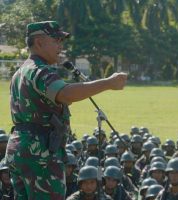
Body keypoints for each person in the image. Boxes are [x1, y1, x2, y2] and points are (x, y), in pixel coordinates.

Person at [5, 21, 127, 200]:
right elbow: (66, 94)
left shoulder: (21, 71)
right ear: (39, 42)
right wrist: (108, 83)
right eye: (56, 40)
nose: (61, 46)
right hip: (40, 153)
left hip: (20, 148)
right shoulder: (40, 70)